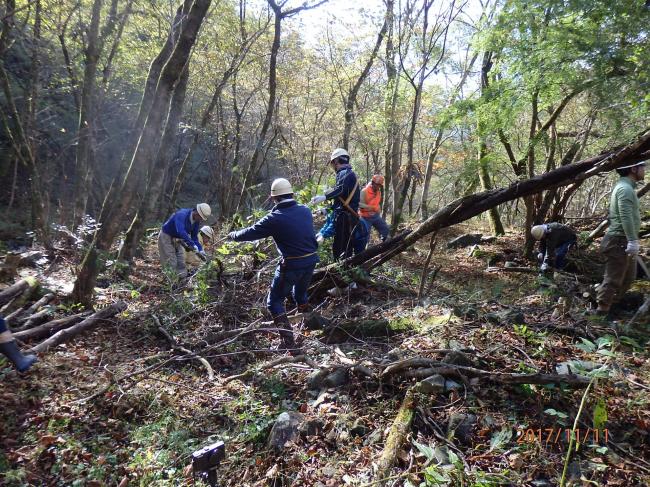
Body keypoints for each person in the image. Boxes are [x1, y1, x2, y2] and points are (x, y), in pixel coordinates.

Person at [228, 178, 318, 354]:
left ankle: (289, 342)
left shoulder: (274, 218)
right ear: (292, 194)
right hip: (311, 261)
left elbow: (250, 232)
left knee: (274, 301)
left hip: (292, 264)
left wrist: (233, 235)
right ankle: (312, 323)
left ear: (273, 198)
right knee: (299, 294)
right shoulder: (305, 210)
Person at [595, 160, 645, 316]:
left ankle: (611, 305)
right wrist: (632, 239)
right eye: (642, 167)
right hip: (619, 241)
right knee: (613, 279)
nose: (644, 170)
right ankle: (601, 314)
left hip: (624, 241)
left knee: (628, 278)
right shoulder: (625, 188)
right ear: (633, 168)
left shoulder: (627, 187)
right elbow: (625, 216)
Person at [310, 148, 365, 260]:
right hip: (347, 216)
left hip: (346, 218)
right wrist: (327, 209)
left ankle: (340, 273)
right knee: (344, 247)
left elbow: (340, 189)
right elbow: (341, 201)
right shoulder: (348, 174)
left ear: (335, 161)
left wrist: (324, 197)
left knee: (341, 248)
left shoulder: (345, 173)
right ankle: (344, 270)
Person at [159, 203, 211, 278]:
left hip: (178, 239)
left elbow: (194, 236)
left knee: (181, 262)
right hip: (166, 236)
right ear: (196, 212)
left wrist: (200, 249)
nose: (201, 220)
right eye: (201, 217)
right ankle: (170, 283)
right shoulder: (182, 214)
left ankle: (182, 282)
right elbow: (181, 231)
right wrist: (192, 244)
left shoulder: (196, 222)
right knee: (171, 262)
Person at [360, 174, 389, 243]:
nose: (378, 186)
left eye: (379, 185)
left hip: (375, 216)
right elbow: (360, 204)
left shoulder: (378, 192)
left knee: (385, 229)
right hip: (365, 217)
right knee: (365, 234)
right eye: (377, 184)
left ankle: (383, 244)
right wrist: (372, 207)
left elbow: (376, 203)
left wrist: (377, 208)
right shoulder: (364, 191)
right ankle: (364, 251)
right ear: (373, 183)